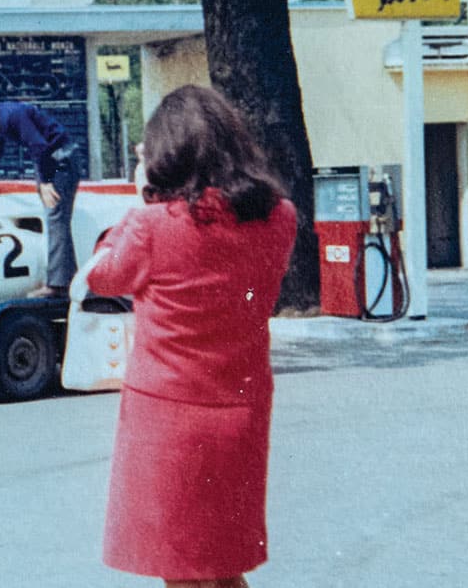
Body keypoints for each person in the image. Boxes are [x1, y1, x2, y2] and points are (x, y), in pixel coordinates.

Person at [84, 85, 297, 588]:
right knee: (224, 567)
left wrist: (141, 196)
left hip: (166, 416)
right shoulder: (279, 218)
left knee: (180, 569)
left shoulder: (152, 226)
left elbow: (101, 276)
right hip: (242, 410)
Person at [0, 88, 78, 297]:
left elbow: (38, 145)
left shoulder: (11, 116)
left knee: (55, 217)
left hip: (60, 160)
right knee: (58, 220)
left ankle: (57, 286)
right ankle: (68, 279)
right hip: (52, 160)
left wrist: (46, 182)